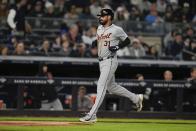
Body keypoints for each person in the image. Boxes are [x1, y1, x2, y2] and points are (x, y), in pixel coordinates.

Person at [79, 8, 143, 123]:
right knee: (111, 87)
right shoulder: (99, 28)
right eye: (100, 16)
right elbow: (100, 39)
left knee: (101, 85)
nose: (100, 18)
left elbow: (127, 41)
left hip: (110, 60)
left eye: (102, 16)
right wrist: (95, 41)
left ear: (109, 17)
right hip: (101, 62)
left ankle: (92, 114)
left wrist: (118, 47)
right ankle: (136, 98)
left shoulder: (116, 29)